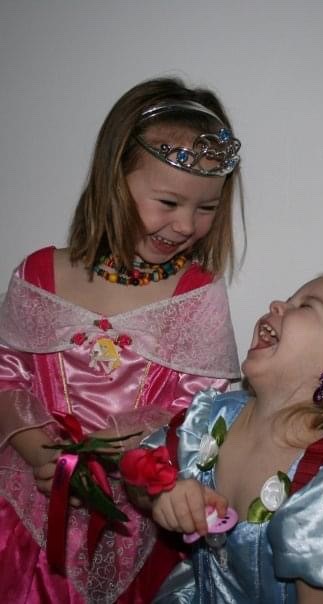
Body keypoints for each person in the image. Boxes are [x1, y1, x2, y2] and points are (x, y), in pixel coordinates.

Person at [0, 77, 242, 603]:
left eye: (206, 208)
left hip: (137, 522)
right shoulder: (38, 274)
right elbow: (7, 377)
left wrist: (120, 463)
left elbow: (197, 411)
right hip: (24, 516)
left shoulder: (198, 296)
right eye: (168, 201)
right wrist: (44, 457)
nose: (186, 225)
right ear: (114, 180)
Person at [145, 273, 323, 603]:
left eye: (305, 306)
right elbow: (138, 474)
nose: (276, 304)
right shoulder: (212, 417)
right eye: (290, 298)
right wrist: (163, 494)